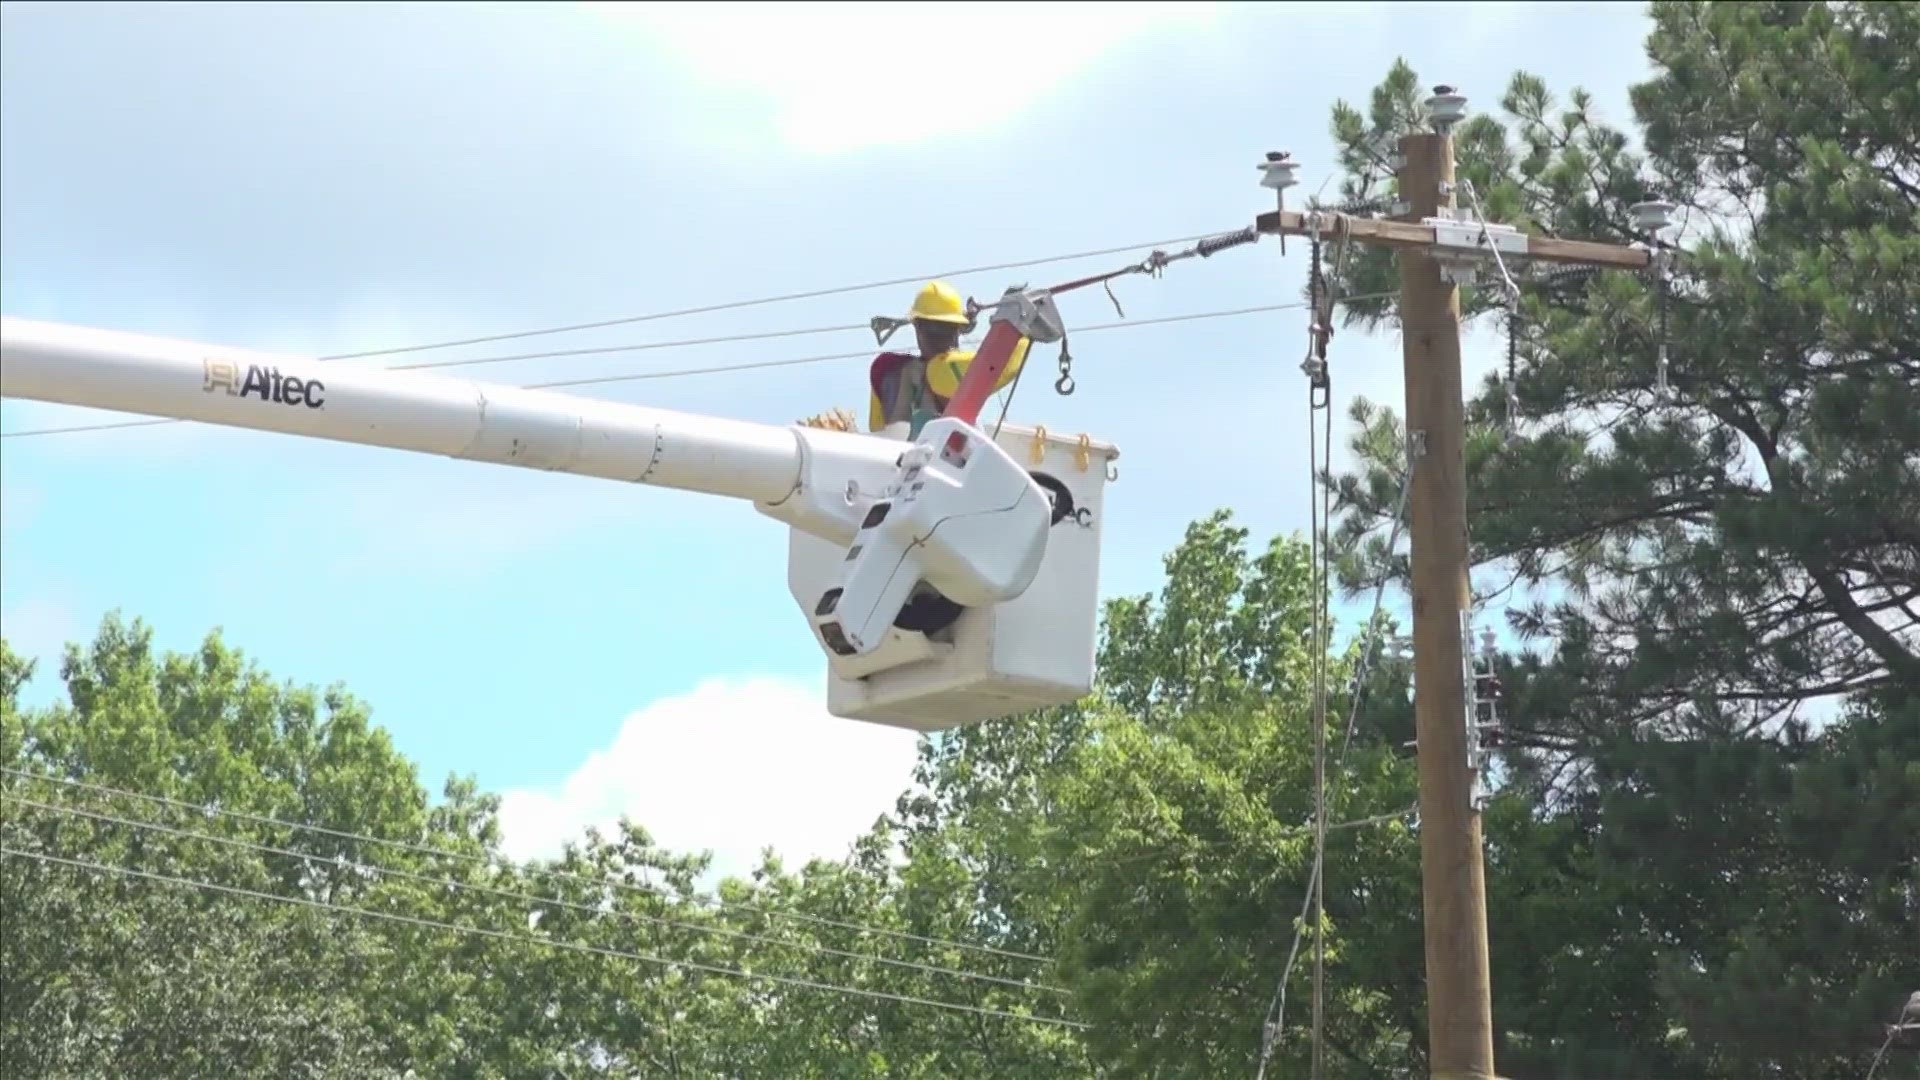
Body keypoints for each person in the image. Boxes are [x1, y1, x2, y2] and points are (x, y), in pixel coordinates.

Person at [867, 281, 1029, 437]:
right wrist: (1021, 322)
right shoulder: (942, 369)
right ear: (958, 329)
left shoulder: (887, 371)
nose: (937, 336)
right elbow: (1002, 360)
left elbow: (878, 429)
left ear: (916, 326)